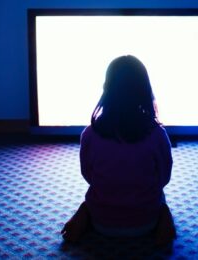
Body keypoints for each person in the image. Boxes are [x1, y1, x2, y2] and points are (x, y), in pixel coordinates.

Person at [60, 55, 176, 246]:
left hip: (102, 222)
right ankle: (163, 215)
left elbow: (88, 175)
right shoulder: (157, 135)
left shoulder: (89, 134)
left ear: (107, 89)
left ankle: (85, 212)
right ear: (145, 90)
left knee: (95, 194)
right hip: (146, 222)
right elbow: (164, 178)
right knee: (159, 196)